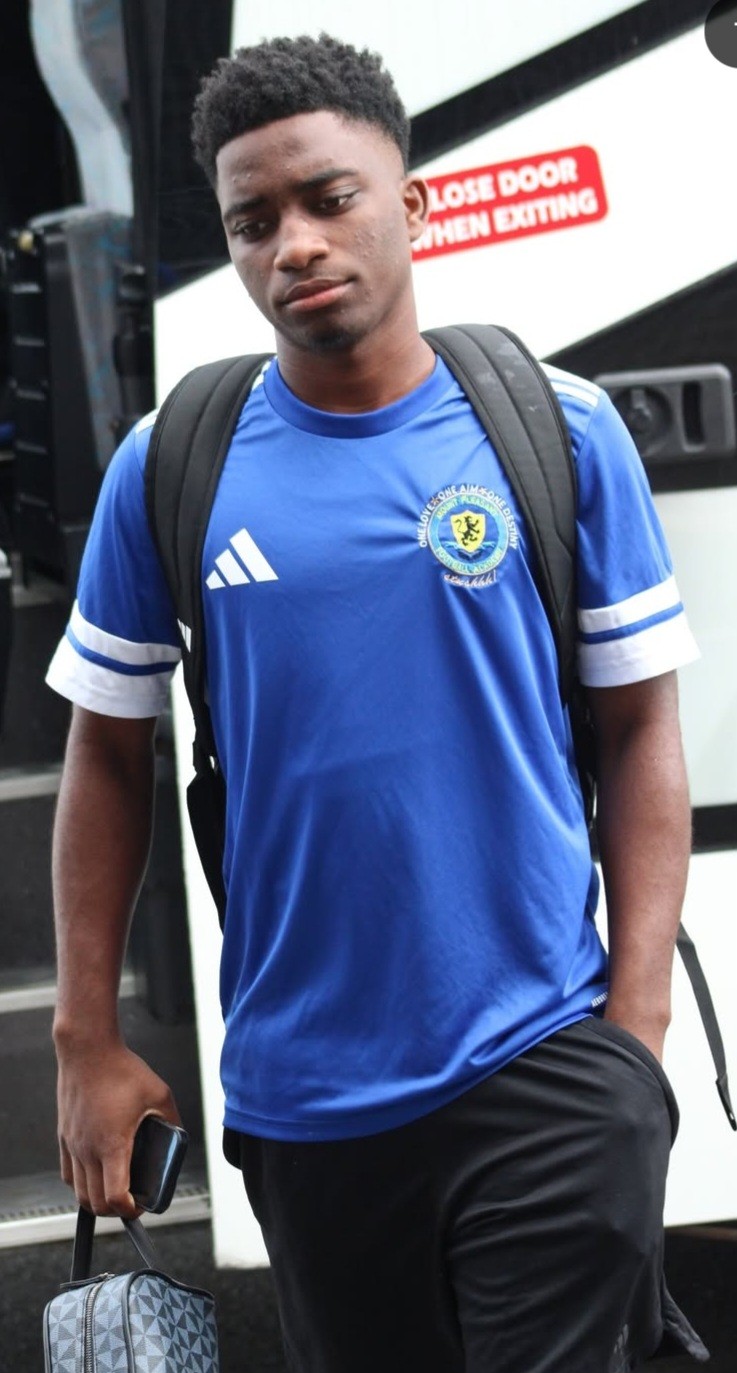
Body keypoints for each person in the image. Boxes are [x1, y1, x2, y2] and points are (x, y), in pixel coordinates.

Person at [47, 32, 706, 1373]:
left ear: (409, 202)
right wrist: (86, 1036)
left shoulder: (559, 431)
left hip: (545, 1069)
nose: (293, 244)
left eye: (328, 199)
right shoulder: (170, 466)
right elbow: (107, 757)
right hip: (306, 1102)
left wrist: (633, 1035)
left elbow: (642, 729)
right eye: (253, 222)